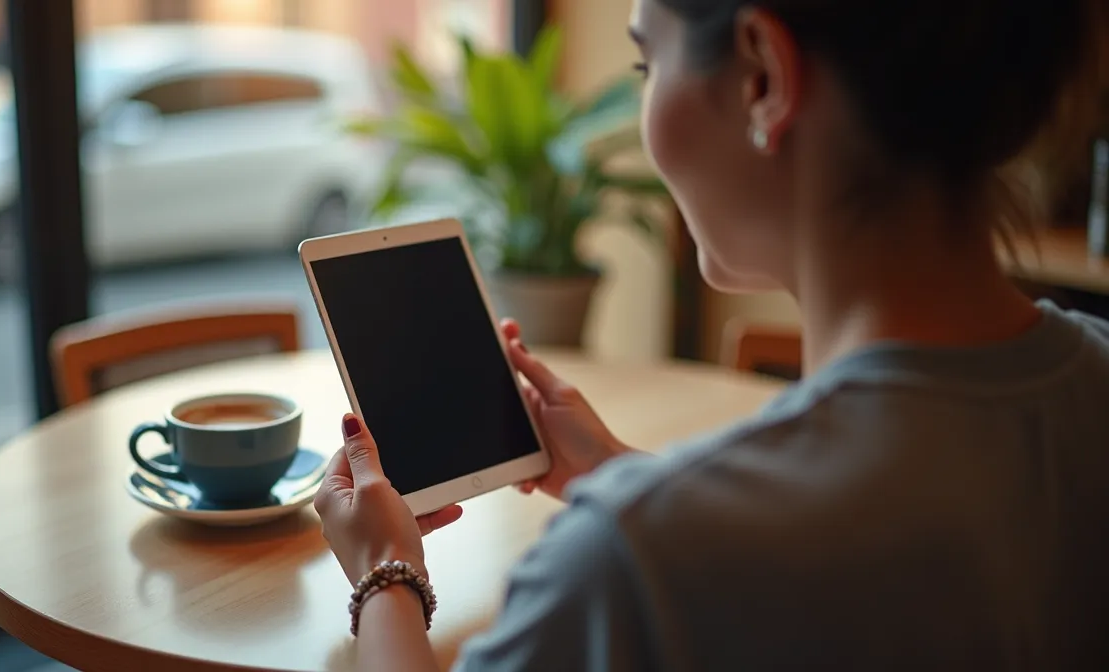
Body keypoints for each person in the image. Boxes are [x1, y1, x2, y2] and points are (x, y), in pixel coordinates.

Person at [313, 0, 1109, 669]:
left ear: (763, 77)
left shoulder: (628, 571)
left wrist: (385, 575)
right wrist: (620, 475)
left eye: (645, 63)